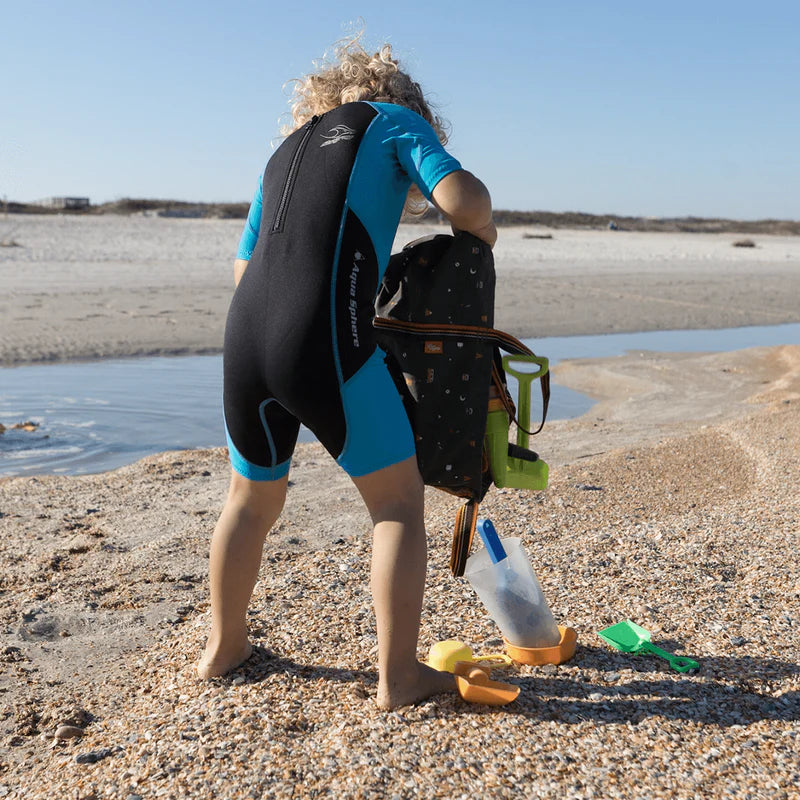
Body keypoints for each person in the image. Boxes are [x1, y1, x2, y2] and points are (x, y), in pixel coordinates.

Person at [197, 35, 497, 709]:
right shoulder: (394, 123)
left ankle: (224, 647)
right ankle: (401, 677)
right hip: (324, 338)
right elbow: (464, 203)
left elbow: (243, 268)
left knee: (249, 501)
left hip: (243, 339)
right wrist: (484, 234)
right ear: (407, 101)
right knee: (396, 503)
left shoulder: (283, 154)